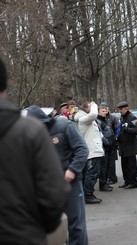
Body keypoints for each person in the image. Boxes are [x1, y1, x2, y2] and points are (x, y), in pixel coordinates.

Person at [0, 58, 70, 244]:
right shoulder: (30, 131)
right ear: (4, 88)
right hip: (23, 235)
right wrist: (39, 227)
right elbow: (54, 192)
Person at [26, 105, 89, 245]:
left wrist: (72, 169)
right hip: (48, 188)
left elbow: (82, 149)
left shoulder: (64, 126)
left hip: (70, 184)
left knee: (76, 225)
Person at [75, 101, 105, 204]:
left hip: (95, 149)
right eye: (90, 107)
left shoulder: (86, 119)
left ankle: (87, 193)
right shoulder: (83, 119)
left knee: (91, 173)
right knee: (92, 174)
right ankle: (88, 195)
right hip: (92, 150)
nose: (93, 108)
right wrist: (94, 105)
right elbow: (93, 114)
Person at [116, 101, 137, 189]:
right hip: (123, 145)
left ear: (126, 109)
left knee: (131, 166)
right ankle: (127, 181)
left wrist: (127, 129)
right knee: (124, 165)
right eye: (119, 109)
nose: (120, 111)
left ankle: (133, 182)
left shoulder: (132, 117)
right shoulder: (122, 118)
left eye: (121, 109)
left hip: (130, 146)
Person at [96, 105, 115, 192]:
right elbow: (100, 134)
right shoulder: (98, 121)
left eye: (106, 110)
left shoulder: (105, 120)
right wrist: (106, 142)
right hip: (104, 147)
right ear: (98, 111)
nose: (105, 112)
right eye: (103, 111)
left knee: (107, 166)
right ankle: (102, 184)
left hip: (109, 147)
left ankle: (105, 182)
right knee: (103, 167)